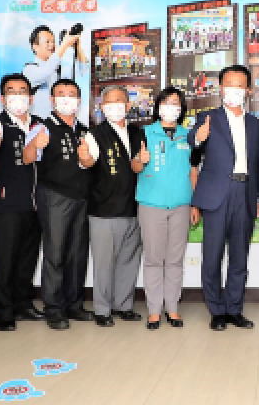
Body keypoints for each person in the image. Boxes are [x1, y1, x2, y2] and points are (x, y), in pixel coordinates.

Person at [189, 65, 259, 331]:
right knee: (212, 256)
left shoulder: (255, 124)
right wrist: (198, 137)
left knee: (239, 257)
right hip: (216, 195)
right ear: (221, 88)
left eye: (240, 85)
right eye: (229, 84)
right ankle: (216, 311)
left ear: (248, 90)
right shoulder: (208, 117)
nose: (234, 89)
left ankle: (234, 309)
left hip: (245, 193)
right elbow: (193, 140)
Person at [23, 78, 93, 331]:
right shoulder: (42, 127)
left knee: (77, 253)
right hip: (54, 196)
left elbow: (89, 163)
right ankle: (53, 308)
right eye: (61, 94)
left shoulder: (84, 130)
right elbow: (27, 157)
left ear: (79, 100)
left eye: (71, 94)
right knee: (55, 254)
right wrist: (35, 144)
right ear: (52, 100)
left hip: (81, 197)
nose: (66, 99)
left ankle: (74, 305)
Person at [80, 85, 145, 328]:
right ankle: (102, 309)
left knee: (129, 260)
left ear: (128, 106)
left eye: (119, 101)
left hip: (134, 207)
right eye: (108, 102)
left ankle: (123, 306)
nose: (114, 106)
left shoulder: (138, 133)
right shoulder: (95, 135)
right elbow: (87, 161)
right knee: (104, 263)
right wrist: (84, 158)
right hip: (104, 210)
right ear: (102, 107)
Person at [137, 87, 201, 330]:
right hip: (151, 204)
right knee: (153, 259)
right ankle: (154, 310)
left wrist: (195, 203)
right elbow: (134, 166)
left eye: (176, 103)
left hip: (181, 204)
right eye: (166, 102)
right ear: (158, 106)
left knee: (175, 260)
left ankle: (172, 308)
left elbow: (193, 170)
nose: (171, 106)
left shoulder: (189, 136)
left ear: (181, 109)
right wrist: (139, 161)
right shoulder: (144, 133)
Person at [0, 74, 45, 332]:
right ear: (3, 98)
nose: (18, 96)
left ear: (31, 98)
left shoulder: (39, 124)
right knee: (5, 259)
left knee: (27, 258)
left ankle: (23, 304)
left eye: (23, 91)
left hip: (34, 204)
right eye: (12, 91)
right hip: (6, 202)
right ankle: (4, 310)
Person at [23, 25, 87, 117]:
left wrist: (77, 46)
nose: (52, 45)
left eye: (53, 42)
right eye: (47, 42)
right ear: (35, 46)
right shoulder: (29, 69)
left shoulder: (58, 70)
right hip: (39, 123)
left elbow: (83, 69)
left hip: (58, 122)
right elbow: (46, 71)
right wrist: (64, 45)